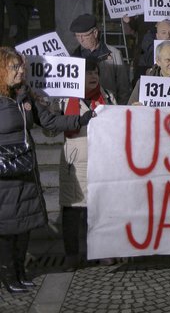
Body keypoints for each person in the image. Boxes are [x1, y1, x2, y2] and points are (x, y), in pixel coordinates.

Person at [0, 47, 93, 292]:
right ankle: (9, 276)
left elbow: (49, 121)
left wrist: (78, 120)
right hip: (3, 173)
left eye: (21, 67)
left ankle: (21, 272)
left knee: (24, 223)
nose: (21, 71)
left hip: (25, 169)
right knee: (7, 228)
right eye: (15, 67)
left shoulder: (25, 95)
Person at [57, 58, 117, 269]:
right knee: (72, 210)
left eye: (95, 72)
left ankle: (101, 251)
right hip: (75, 160)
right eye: (87, 72)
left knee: (100, 208)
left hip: (102, 159)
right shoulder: (64, 99)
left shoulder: (107, 96)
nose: (93, 76)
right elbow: (49, 129)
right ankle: (72, 255)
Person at [70, 14, 131, 104]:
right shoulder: (74, 56)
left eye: (84, 36)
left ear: (95, 33)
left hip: (107, 105)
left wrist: (120, 110)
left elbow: (123, 88)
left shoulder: (114, 54)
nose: (81, 40)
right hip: (82, 107)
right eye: (77, 36)